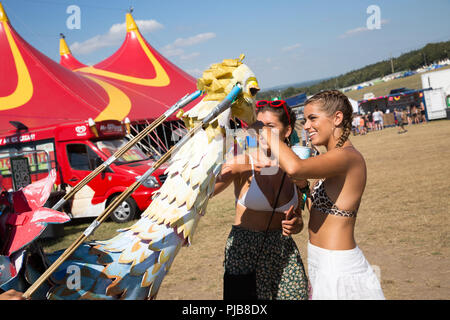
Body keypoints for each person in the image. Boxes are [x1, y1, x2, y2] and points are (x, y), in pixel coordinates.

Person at [252, 90, 385, 300]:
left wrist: (267, 131)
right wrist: (304, 191)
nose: (306, 126)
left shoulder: (349, 157)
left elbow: (295, 167)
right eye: (305, 120)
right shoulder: (329, 158)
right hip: (320, 263)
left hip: (339, 267)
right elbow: (320, 209)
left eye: (312, 118)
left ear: (337, 118)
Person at [213, 100, 309, 300]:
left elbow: (299, 220)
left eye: (270, 127)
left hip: (283, 254)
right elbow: (207, 191)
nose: (262, 133)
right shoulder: (243, 162)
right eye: (258, 127)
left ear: (287, 130)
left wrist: (296, 224)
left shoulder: (295, 168)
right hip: (244, 253)